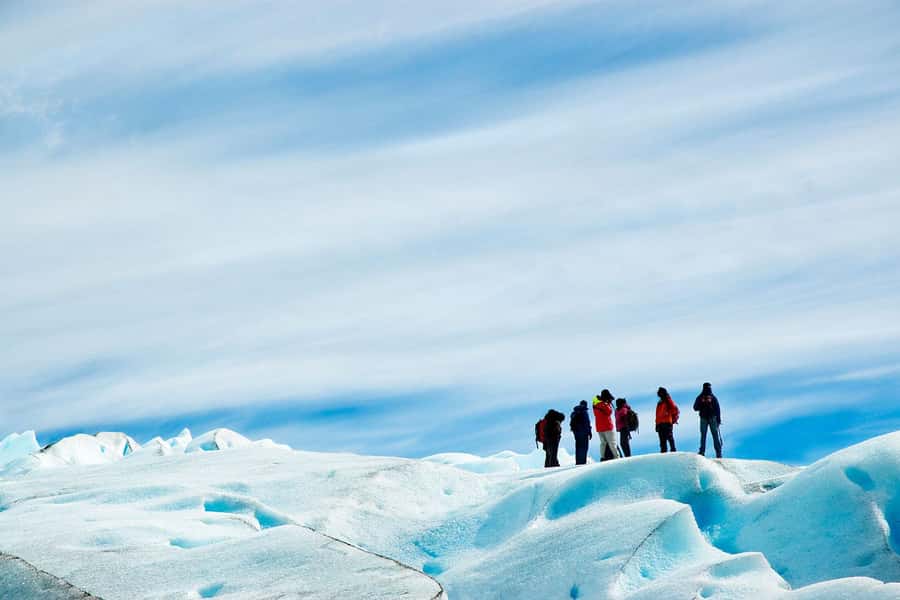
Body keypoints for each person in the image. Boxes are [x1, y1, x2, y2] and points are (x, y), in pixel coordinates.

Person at [693, 382, 723, 458]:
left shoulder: (700, 397)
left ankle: (702, 451)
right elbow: (717, 409)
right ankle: (718, 453)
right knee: (715, 435)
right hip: (712, 418)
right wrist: (718, 419)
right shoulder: (713, 397)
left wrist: (701, 404)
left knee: (703, 436)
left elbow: (695, 408)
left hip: (704, 418)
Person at [592, 389, 618, 461]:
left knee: (603, 443)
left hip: (599, 427)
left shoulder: (595, 403)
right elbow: (609, 411)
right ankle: (616, 457)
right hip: (607, 426)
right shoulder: (604, 404)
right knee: (612, 443)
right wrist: (608, 403)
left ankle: (602, 457)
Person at [655, 387, 679, 453]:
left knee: (669, 437)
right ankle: (664, 452)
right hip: (660, 423)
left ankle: (673, 450)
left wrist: (667, 413)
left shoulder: (668, 400)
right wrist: (656, 424)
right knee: (662, 440)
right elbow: (657, 414)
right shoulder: (659, 402)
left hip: (667, 422)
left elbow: (674, 409)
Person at [570, 400, 593, 465]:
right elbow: (587, 423)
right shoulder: (584, 412)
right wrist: (589, 432)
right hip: (584, 433)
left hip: (576, 433)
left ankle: (578, 462)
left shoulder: (574, 412)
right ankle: (582, 462)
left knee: (578, 447)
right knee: (584, 447)